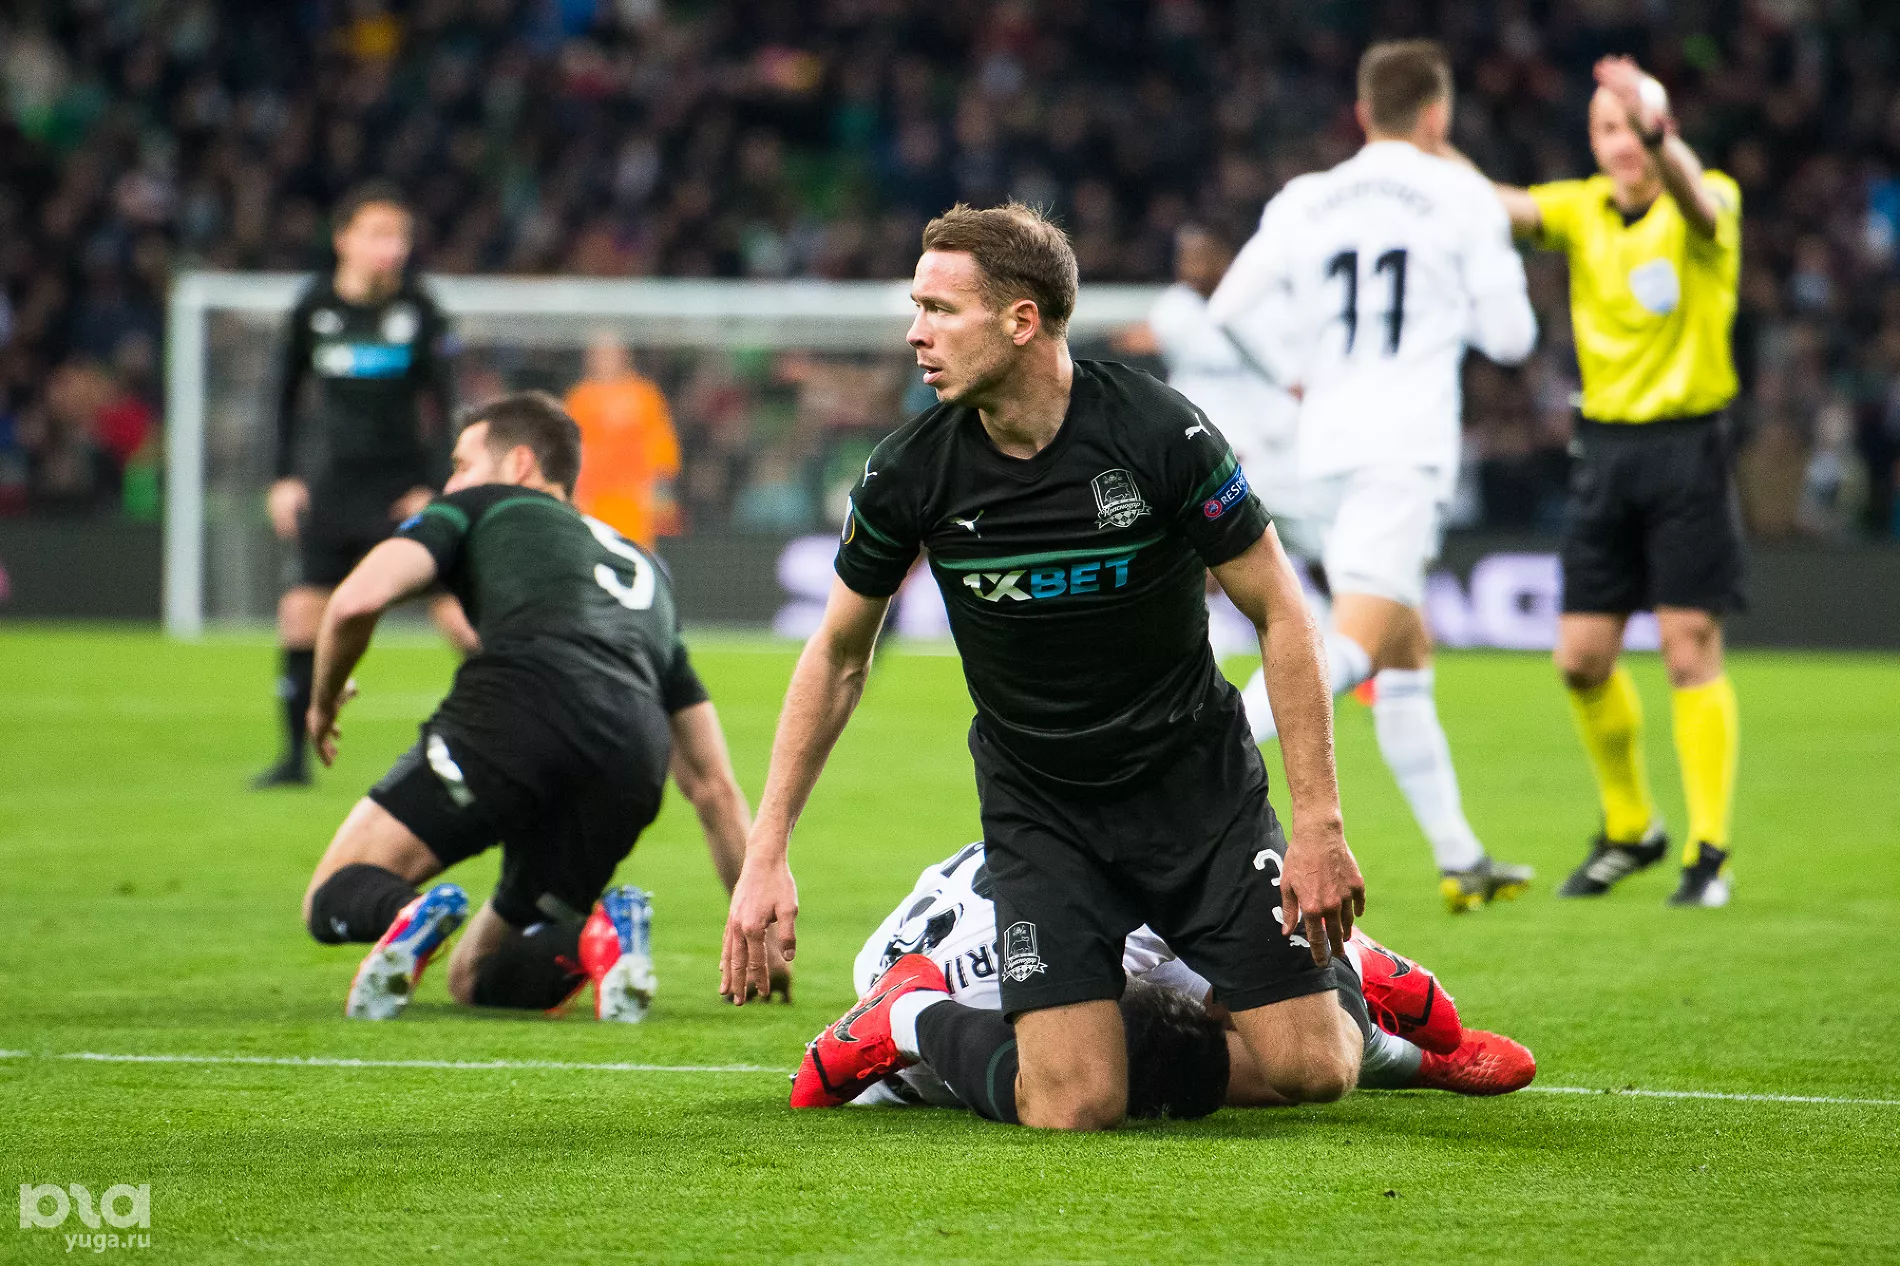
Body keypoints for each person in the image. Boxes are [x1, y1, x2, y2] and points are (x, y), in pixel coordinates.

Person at [722, 202, 1368, 1133]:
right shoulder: (909, 472)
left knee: (1314, 1070)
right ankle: (907, 1014)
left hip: (1198, 794)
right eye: (917, 309)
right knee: (1070, 1103)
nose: (915, 334)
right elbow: (837, 656)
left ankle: (1340, 980)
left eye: (941, 310)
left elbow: (1282, 612)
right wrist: (766, 852)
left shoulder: (1158, 432)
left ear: (1021, 320)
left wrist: (1318, 824)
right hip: (1045, 813)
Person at [297, 392, 780, 1020]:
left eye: (462, 464)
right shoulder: (644, 569)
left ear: (520, 463)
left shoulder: (481, 505)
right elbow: (713, 785)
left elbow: (356, 600)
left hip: (515, 715)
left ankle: (408, 914)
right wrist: (762, 938)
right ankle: (596, 936)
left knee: (330, 895)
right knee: (476, 976)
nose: (452, 483)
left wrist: (323, 700)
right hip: (631, 759)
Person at [1209, 40, 1539, 913]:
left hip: (1318, 448)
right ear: (1437, 116)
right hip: (1400, 449)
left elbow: (1230, 307)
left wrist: (1294, 373)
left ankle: (1462, 857)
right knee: (1348, 641)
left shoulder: (1307, 198)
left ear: (1362, 114)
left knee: (1403, 641)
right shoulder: (1461, 196)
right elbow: (1512, 338)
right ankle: (1199, 753)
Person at [1489, 57, 1744, 907]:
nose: (1623, 143)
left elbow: (1698, 204)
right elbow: (1500, 205)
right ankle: (1632, 827)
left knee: (1687, 647)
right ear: (1593, 141)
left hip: (1687, 446)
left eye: (1635, 127)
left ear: (1662, 132)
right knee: (1580, 660)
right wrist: (1412, 163)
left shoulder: (1707, 196)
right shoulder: (1581, 207)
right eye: (1608, 128)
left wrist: (1659, 131)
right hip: (1603, 450)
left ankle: (1708, 852)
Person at [801, 841, 1534, 1116]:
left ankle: (1345, 971)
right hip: (987, 971)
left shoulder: (1128, 917)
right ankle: (1373, 1017)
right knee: (1252, 1059)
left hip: (957, 937)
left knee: (1277, 1035)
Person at [257, 181, 469, 789]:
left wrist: (435, 484)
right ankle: (294, 762)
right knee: (301, 614)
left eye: (400, 235)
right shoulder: (314, 307)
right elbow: (282, 398)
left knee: (459, 619)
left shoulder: (421, 308)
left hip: (403, 488)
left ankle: (529, 727)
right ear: (343, 239)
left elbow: (446, 405)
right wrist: (283, 477)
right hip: (333, 486)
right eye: (378, 234)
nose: (392, 247)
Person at [1143, 225, 1314, 562]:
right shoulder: (1173, 309)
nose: (1191, 268)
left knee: (1318, 552)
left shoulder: (1274, 307)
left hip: (1276, 455)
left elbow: (1290, 388)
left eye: (1201, 257)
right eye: (1184, 258)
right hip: (1210, 451)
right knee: (1201, 546)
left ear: (1228, 257)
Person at [565, 332, 683, 552]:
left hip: (633, 504)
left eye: (609, 353)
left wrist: (660, 495)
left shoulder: (645, 396)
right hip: (593, 503)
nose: (603, 359)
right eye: (597, 353)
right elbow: (570, 450)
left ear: (623, 355)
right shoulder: (579, 399)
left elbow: (662, 447)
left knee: (633, 559)